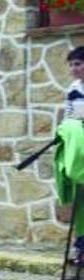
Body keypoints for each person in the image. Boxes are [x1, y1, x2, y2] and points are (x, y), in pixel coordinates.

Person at [64, 46, 84, 263]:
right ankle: (81, 248)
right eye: (71, 65)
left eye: (78, 64)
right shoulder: (73, 89)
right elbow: (69, 119)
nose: (74, 68)